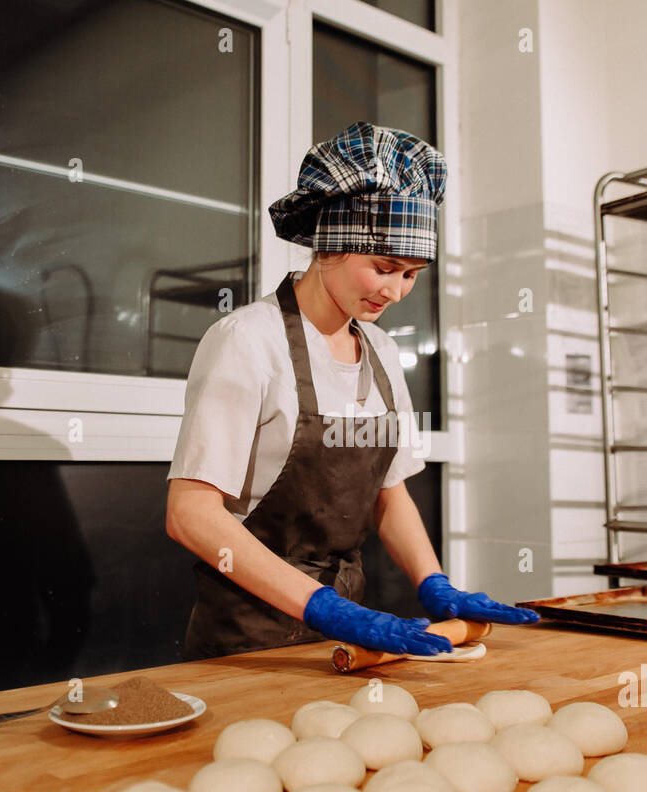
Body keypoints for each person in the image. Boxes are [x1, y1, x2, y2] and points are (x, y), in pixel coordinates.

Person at [167, 120, 538, 661]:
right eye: (384, 268)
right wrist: (322, 606)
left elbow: (389, 493)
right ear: (330, 247)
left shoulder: (382, 352)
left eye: (412, 274)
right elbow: (190, 514)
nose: (396, 291)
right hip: (249, 636)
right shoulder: (247, 340)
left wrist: (434, 584)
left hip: (351, 635)